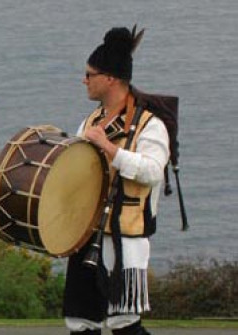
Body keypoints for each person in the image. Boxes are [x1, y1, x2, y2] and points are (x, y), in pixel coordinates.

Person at [63, 27, 170, 335]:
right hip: (86, 233)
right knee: (81, 323)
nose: (84, 80)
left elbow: (152, 171)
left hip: (125, 235)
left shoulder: (151, 125)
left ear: (109, 78)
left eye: (89, 74)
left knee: (124, 324)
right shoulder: (90, 122)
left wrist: (110, 150)